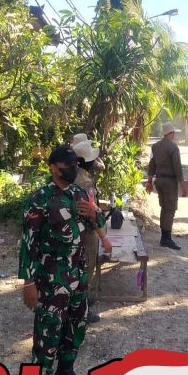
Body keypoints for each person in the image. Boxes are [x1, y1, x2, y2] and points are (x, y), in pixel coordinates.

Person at [19, 145, 106, 375]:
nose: (73, 170)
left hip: (77, 274)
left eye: (76, 165)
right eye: (68, 166)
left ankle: (65, 373)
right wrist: (28, 283)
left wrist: (93, 213)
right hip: (51, 278)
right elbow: (28, 243)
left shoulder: (78, 193)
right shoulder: (40, 199)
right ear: (54, 168)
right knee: (48, 333)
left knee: (76, 325)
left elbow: (98, 221)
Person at [73, 138, 112, 323]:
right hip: (87, 233)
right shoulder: (84, 182)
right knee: (86, 270)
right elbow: (90, 214)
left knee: (80, 269)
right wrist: (103, 237)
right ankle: (82, 311)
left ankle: (83, 303)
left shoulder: (75, 176)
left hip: (77, 230)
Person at [145, 122, 187, 250]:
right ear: (171, 133)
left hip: (159, 181)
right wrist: (183, 186)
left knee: (164, 208)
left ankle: (164, 237)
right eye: (174, 133)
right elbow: (178, 169)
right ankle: (167, 239)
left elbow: (152, 165)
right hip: (170, 183)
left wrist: (149, 182)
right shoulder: (173, 148)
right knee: (170, 209)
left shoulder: (155, 146)